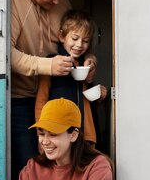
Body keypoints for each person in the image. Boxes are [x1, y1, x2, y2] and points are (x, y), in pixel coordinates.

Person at [10, 0, 96, 180]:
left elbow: (75, 37)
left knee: (59, 170)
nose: (58, 2)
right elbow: (5, 55)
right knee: (30, 167)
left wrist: (90, 61)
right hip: (21, 99)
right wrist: (47, 66)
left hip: (55, 98)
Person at [35, 9, 107, 145]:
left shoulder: (86, 65)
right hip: (59, 136)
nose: (79, 45)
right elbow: (41, 102)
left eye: (85, 41)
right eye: (75, 38)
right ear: (61, 37)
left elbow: (85, 99)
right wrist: (41, 135)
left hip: (85, 135)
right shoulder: (51, 63)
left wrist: (98, 94)